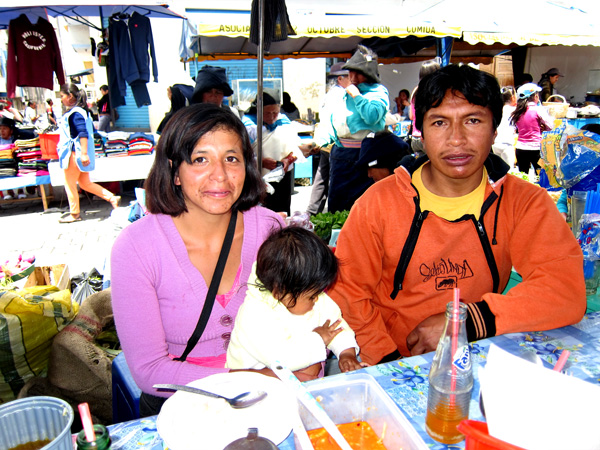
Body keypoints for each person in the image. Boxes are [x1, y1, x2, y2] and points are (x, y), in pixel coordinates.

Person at [328, 64, 586, 366]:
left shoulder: (523, 202)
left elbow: (564, 290)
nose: (457, 139)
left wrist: (465, 321)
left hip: (475, 355)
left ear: (494, 130)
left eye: (473, 120)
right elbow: (348, 294)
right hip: (392, 360)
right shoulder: (377, 204)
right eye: (439, 123)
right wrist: (390, 360)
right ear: (420, 132)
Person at [111, 104, 321, 417]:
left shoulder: (269, 230)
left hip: (268, 400)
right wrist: (250, 380)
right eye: (200, 159)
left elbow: (302, 316)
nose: (220, 175)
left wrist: (311, 357)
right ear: (175, 171)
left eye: (231, 158)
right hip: (180, 407)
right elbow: (150, 370)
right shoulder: (137, 248)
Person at [226, 226, 363, 374]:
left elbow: (335, 325)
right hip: (252, 384)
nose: (317, 299)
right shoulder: (254, 315)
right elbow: (282, 359)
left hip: (296, 377)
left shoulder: (307, 295)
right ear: (280, 293)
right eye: (311, 296)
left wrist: (346, 353)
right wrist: (319, 338)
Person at [312, 45, 389, 213]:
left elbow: (372, 115)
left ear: (368, 73)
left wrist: (357, 96)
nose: (352, 77)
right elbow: (332, 123)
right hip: (341, 156)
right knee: (338, 206)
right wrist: (317, 144)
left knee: (366, 207)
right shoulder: (342, 94)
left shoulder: (378, 92)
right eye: (350, 72)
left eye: (357, 72)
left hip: (368, 157)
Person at [242, 90, 314, 215]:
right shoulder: (249, 125)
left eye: (275, 113)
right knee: (264, 210)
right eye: (267, 113)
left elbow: (295, 147)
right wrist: (261, 162)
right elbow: (242, 154)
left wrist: (288, 160)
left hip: (284, 174)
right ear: (258, 110)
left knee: (283, 209)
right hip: (259, 176)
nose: (271, 117)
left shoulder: (284, 122)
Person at [57, 83, 121, 223]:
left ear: (70, 96)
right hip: (79, 154)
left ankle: (74, 214)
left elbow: (83, 134)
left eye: (62, 96)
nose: (61, 99)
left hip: (74, 154)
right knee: (85, 183)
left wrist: (83, 153)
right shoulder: (82, 111)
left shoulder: (75, 114)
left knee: (70, 184)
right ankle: (112, 198)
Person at [307, 62, 350, 216]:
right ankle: (332, 213)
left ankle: (311, 213)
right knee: (334, 181)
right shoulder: (340, 95)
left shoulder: (330, 94)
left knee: (322, 178)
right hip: (333, 142)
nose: (352, 80)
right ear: (340, 79)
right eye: (349, 77)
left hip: (324, 140)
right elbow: (341, 122)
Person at [510, 83, 554, 175]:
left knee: (523, 177)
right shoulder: (538, 110)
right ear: (535, 96)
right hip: (536, 148)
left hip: (520, 147)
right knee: (540, 175)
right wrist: (543, 128)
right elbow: (551, 126)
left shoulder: (517, 111)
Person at [409, 59, 441, 156]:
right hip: (429, 136)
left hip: (415, 138)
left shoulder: (415, 91)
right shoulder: (435, 92)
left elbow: (411, 116)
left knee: (421, 168)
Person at [491, 86, 518, 167]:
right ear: (513, 97)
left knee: (499, 171)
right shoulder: (514, 111)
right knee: (509, 172)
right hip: (507, 144)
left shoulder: (496, 109)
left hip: (495, 143)